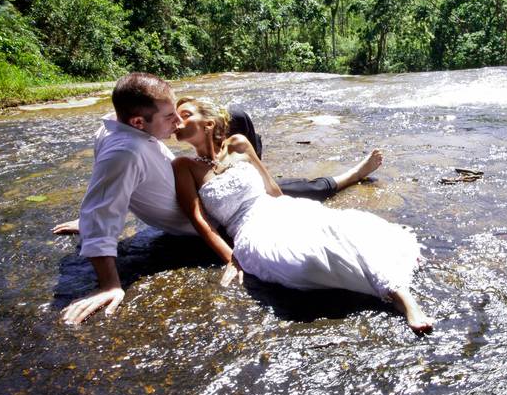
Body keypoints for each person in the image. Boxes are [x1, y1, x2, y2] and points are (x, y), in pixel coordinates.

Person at [58, 72, 382, 325]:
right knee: (296, 189)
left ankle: (251, 158)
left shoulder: (116, 126)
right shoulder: (124, 152)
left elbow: (105, 191)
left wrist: (92, 212)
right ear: (138, 122)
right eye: (170, 116)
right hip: (210, 210)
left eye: (178, 113)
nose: (176, 123)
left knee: (242, 126)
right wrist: (109, 283)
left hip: (209, 179)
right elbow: (106, 203)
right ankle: (349, 176)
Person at [172, 98, 434, 334]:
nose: (177, 121)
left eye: (185, 114)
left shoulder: (239, 144)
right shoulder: (183, 166)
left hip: (277, 208)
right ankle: (378, 286)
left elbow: (271, 188)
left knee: (339, 229)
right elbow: (199, 221)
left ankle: (401, 296)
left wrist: (296, 211)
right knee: (302, 261)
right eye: (174, 116)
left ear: (208, 122)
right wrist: (231, 258)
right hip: (247, 230)